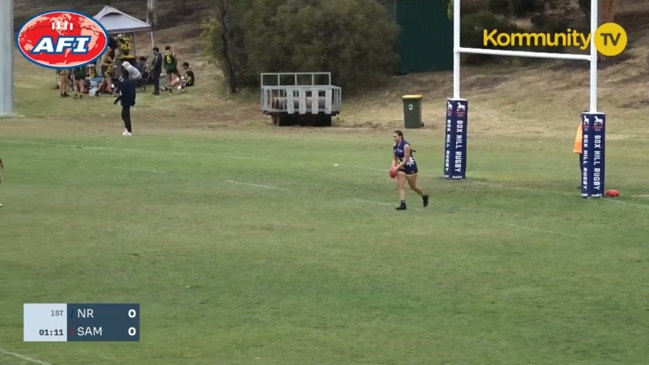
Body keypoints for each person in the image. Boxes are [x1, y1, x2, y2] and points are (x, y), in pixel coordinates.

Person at [391, 130, 429, 210]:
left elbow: (406, 160)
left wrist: (396, 168)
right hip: (401, 168)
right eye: (393, 137)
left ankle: (424, 196)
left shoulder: (406, 146)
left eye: (395, 137)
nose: (394, 138)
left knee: (413, 187)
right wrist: (393, 167)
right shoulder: (394, 146)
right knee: (400, 185)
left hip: (410, 168)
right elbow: (394, 158)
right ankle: (403, 203)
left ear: (400, 136)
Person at [114, 70, 136, 136]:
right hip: (130, 99)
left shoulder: (124, 82)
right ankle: (127, 129)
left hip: (125, 100)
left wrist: (116, 100)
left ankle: (129, 130)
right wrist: (133, 100)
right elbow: (134, 92)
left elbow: (122, 93)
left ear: (123, 75)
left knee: (125, 115)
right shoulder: (131, 82)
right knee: (125, 115)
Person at [574, 121, 583, 188]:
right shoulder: (581, 124)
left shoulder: (588, 125)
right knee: (582, 167)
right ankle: (584, 183)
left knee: (586, 167)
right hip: (581, 150)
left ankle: (587, 183)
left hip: (585, 149)